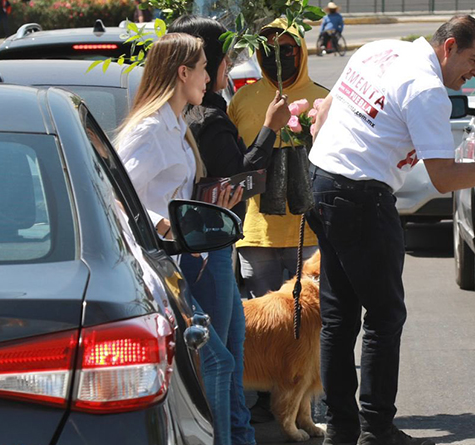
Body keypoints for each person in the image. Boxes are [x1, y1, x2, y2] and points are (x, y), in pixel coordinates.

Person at [306, 15, 475, 445]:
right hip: (362, 196)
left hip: (322, 182)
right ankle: (376, 431)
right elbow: (444, 179)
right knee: (384, 318)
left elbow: (324, 111)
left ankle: (343, 430)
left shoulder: (379, 49)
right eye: (473, 59)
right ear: (449, 46)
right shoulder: (426, 89)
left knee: (339, 318)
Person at [168, 14, 296, 445]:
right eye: (215, 64)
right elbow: (238, 176)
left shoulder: (194, 113)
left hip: (208, 243)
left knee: (231, 355)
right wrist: (269, 130)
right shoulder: (206, 117)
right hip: (207, 246)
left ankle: (239, 435)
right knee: (222, 359)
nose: (220, 73)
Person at [114, 32, 247, 445]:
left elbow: (175, 194)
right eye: (204, 67)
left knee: (228, 357)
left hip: (193, 259)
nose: (210, 76)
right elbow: (116, 197)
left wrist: (211, 201)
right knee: (217, 364)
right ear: (182, 72)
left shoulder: (176, 125)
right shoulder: (149, 130)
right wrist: (164, 224)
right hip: (165, 267)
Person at [228, 18, 328, 299]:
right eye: (269, 50)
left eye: (286, 49)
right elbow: (230, 163)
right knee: (262, 326)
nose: (278, 58)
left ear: (300, 51)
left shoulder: (324, 99)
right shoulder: (242, 99)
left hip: (309, 235)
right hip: (257, 235)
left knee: (309, 322)